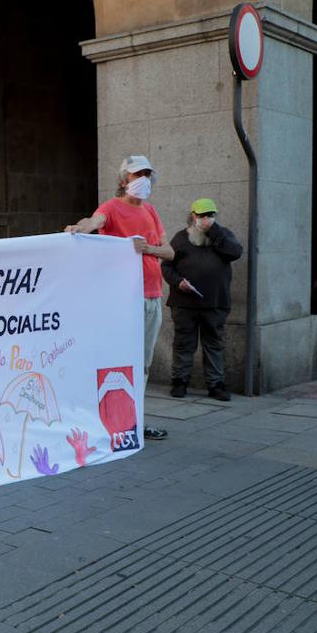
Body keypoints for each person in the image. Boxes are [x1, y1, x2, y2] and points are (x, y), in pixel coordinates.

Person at [66, 154, 174, 440]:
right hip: (124, 299)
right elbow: (93, 221)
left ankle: (135, 420)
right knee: (119, 359)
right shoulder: (112, 207)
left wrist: (147, 248)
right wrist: (79, 228)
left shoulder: (150, 211)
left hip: (152, 297)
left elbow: (170, 252)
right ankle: (113, 420)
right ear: (124, 179)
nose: (143, 180)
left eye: (147, 174)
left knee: (143, 363)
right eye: (137, 175)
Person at [161, 198, 243, 401]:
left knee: (214, 344)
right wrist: (178, 282)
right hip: (184, 303)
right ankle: (179, 381)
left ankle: (216, 385)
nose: (206, 219)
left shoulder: (223, 236)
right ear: (192, 216)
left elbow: (235, 252)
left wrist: (213, 232)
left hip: (215, 303)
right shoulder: (181, 238)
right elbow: (166, 266)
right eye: (202, 215)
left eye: (210, 215)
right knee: (183, 344)